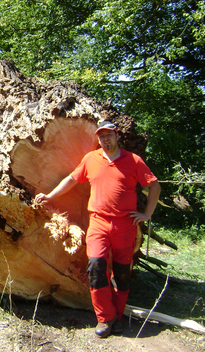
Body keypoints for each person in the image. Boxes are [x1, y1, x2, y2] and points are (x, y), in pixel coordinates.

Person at [35, 120, 161, 338]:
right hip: (98, 223)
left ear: (116, 136)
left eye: (109, 135)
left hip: (125, 225)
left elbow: (155, 186)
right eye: (101, 136)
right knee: (95, 268)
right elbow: (72, 180)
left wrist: (146, 215)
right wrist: (50, 196)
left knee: (122, 275)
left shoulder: (133, 161)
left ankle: (118, 318)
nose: (105, 139)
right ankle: (105, 318)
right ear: (98, 139)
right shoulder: (91, 159)